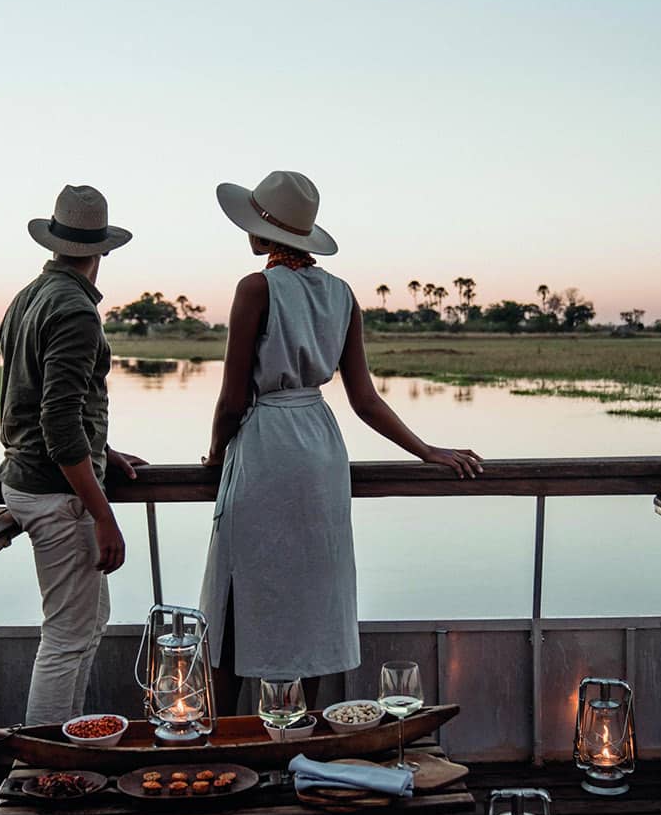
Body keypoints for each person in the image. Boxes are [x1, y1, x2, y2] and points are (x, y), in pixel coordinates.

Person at [199, 170, 484, 713]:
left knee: (239, 595)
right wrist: (427, 450)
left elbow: (233, 398)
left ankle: (225, 738)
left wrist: (216, 455)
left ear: (262, 234)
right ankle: (299, 738)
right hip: (321, 448)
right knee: (311, 595)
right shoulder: (341, 293)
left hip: (265, 448)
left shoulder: (255, 288)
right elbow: (365, 399)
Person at [0, 184, 146, 725]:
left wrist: (102, 448)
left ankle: (64, 749)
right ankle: (45, 767)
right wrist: (104, 515)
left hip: (30, 477)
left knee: (86, 624)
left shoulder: (28, 297)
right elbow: (57, 423)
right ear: (101, 250)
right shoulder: (76, 312)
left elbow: (39, 399)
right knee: (66, 637)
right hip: (55, 491)